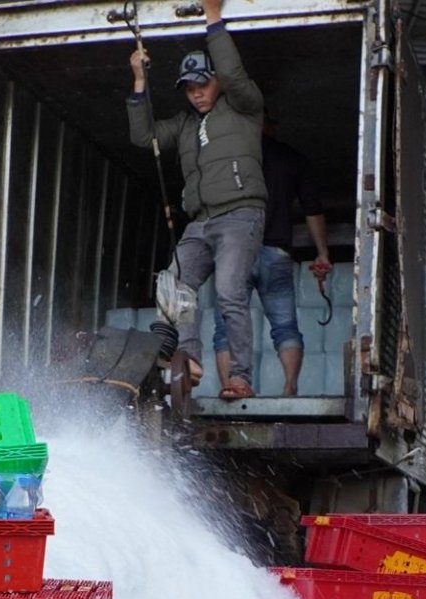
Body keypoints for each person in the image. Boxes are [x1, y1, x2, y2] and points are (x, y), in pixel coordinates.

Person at [127, 0, 267, 400]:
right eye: (189, 88)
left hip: (241, 215)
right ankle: (189, 358)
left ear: (217, 82)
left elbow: (235, 73)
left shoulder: (244, 107)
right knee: (173, 284)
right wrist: (139, 81)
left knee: (229, 292)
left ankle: (240, 378)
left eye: (203, 84)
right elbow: (143, 138)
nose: (197, 94)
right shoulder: (186, 125)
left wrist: (213, 21)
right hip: (200, 221)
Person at [212, 121, 331, 396]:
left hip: (235, 253)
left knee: (225, 326)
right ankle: (289, 387)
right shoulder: (292, 158)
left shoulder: (229, 155)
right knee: (285, 325)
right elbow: (312, 209)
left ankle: (232, 387)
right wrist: (322, 251)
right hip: (276, 254)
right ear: (273, 128)